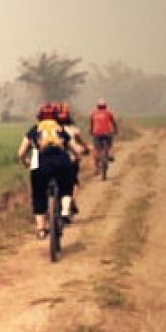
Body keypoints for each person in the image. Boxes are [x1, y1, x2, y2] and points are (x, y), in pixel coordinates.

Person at [17, 104, 81, 236]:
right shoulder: (60, 129)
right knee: (66, 186)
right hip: (61, 161)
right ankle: (64, 212)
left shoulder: (34, 130)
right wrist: (76, 159)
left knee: (38, 194)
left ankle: (41, 229)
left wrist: (26, 162)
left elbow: (21, 153)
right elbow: (76, 149)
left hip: (40, 163)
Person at [89, 99, 119, 175]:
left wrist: (91, 132)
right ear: (105, 106)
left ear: (97, 106)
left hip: (96, 133)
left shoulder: (93, 113)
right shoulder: (108, 112)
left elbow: (92, 125)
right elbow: (113, 122)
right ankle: (110, 154)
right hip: (107, 133)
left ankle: (96, 168)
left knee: (96, 149)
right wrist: (115, 130)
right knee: (109, 145)